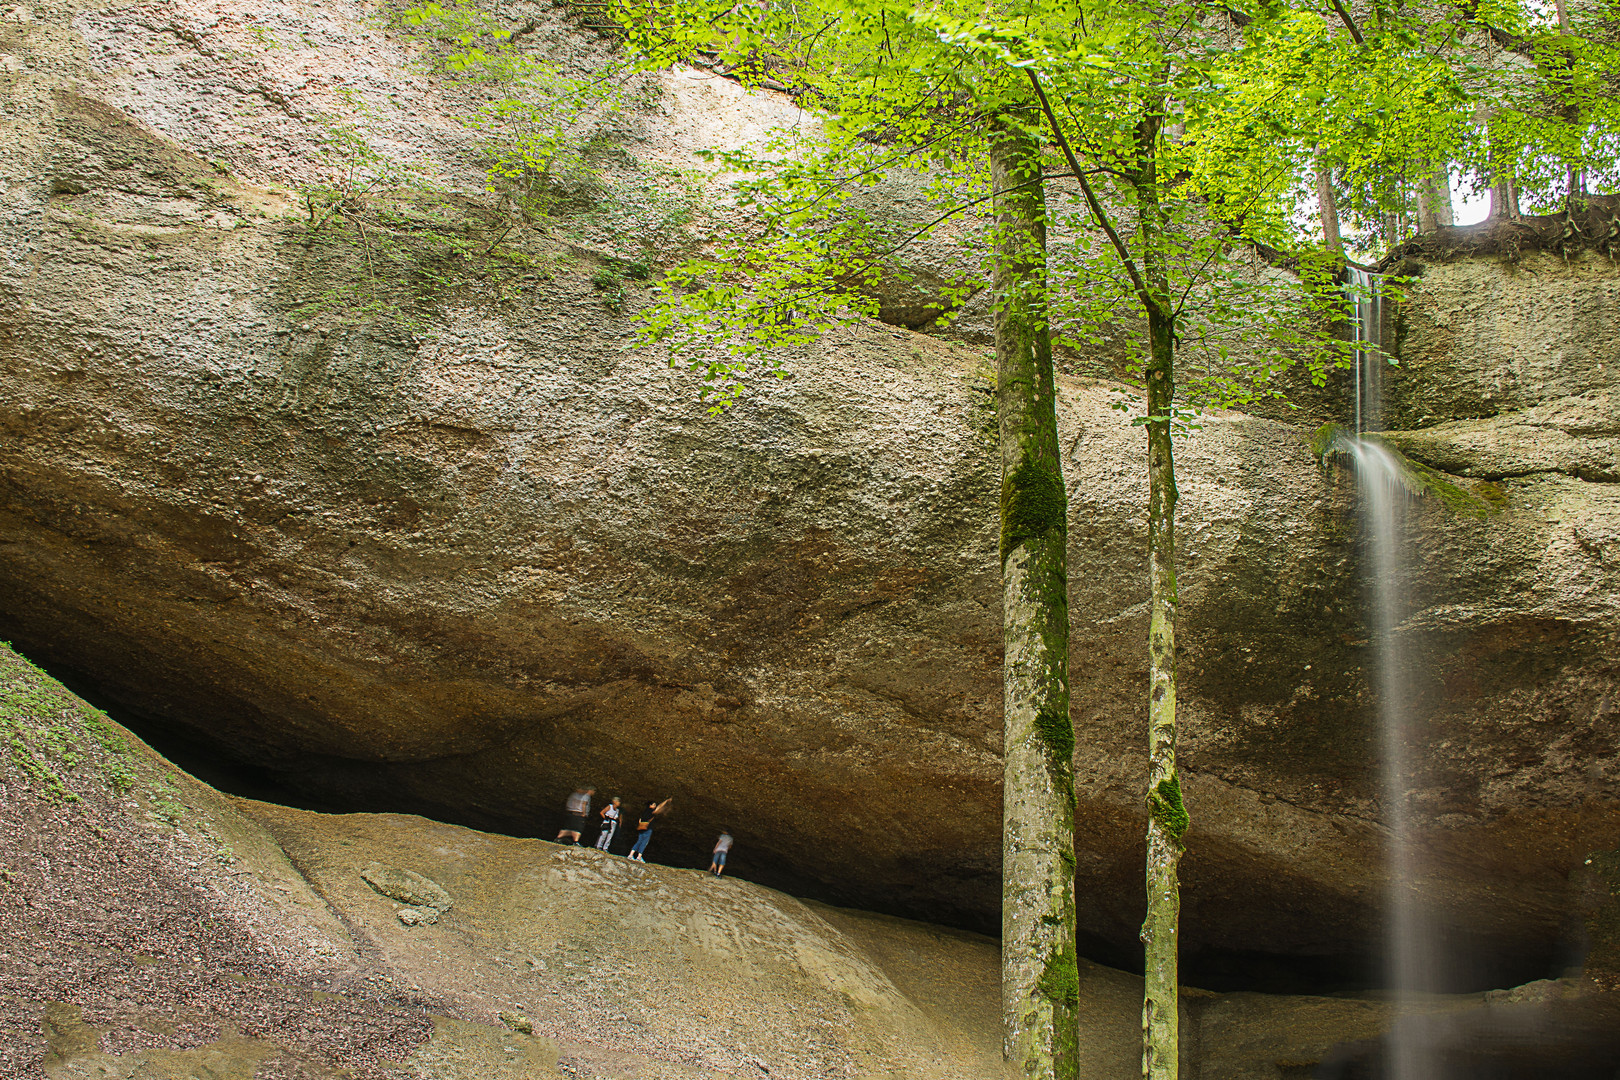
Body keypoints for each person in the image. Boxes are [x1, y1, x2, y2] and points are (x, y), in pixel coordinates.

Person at [628, 797, 672, 862]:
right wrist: (666, 801)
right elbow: (659, 807)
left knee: (639, 841)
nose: (655, 806)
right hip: (648, 829)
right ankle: (639, 857)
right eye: (654, 805)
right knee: (644, 842)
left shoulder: (644, 811)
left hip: (641, 828)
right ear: (650, 805)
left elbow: (640, 820)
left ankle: (630, 855)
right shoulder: (651, 811)